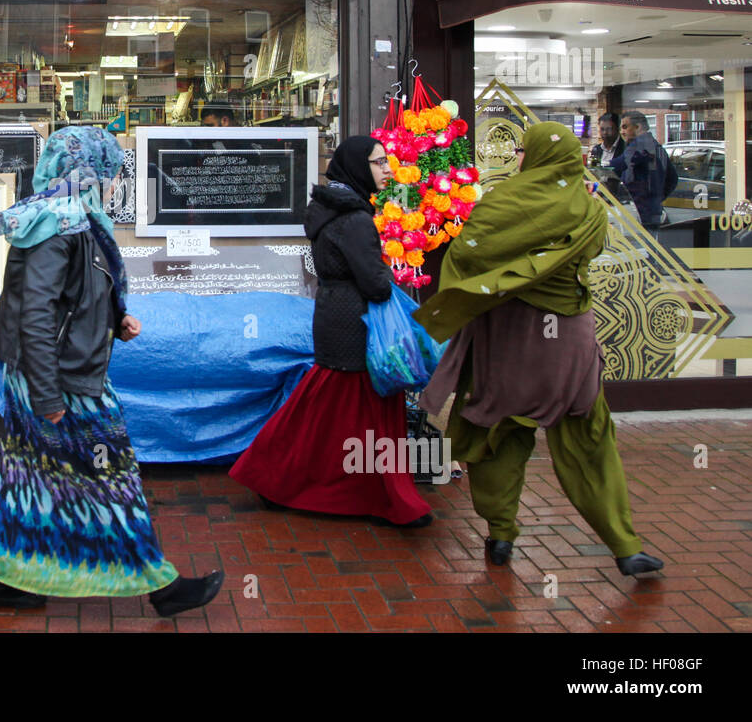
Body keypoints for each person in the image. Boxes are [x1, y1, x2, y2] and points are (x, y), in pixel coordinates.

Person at [0, 126, 224, 616]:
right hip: (58, 378)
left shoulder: (72, 218)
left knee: (27, 476)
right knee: (111, 474)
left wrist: (112, 319)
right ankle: (160, 587)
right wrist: (48, 398)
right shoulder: (57, 226)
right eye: (105, 175)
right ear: (83, 172)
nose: (109, 184)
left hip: (49, 371)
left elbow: (71, 297)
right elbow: (36, 314)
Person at [414, 122, 663, 578]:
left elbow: (467, 256)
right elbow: (590, 253)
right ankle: (625, 546)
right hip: (567, 346)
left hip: (507, 343)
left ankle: (501, 534)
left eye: (525, 152)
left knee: (499, 435)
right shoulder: (586, 209)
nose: (521, 159)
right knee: (589, 437)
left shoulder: (501, 203)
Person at [229, 135, 434, 527]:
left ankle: (278, 477)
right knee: (363, 411)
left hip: (334, 317)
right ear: (359, 167)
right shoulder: (356, 218)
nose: (387, 168)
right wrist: (387, 277)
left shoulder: (329, 211)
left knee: (324, 408)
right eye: (379, 162)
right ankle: (387, 498)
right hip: (358, 324)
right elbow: (374, 284)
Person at [610, 112, 677, 231]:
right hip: (654, 209)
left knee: (643, 245)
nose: (622, 132)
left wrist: (596, 164)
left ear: (638, 127)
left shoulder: (639, 144)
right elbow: (673, 179)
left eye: (625, 127)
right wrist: (657, 198)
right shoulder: (657, 146)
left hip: (640, 210)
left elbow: (617, 165)